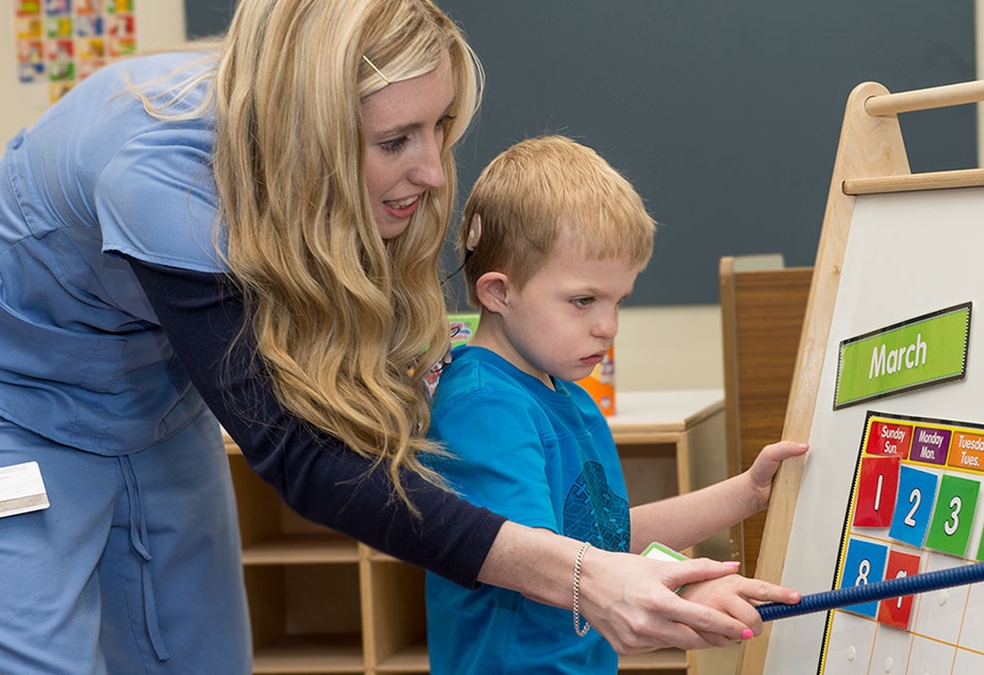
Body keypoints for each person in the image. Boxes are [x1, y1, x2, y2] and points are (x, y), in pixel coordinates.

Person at [0, 1, 802, 673]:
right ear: (309, 133)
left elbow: (581, 528)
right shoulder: (161, 182)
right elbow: (304, 456)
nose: (431, 173)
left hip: (162, 400)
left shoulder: (332, 183)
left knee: (201, 655)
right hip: (24, 412)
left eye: (440, 127)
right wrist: (604, 579)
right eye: (395, 142)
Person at [424, 135, 809, 674]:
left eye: (618, 301)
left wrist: (747, 493)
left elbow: (602, 538)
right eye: (584, 301)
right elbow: (538, 562)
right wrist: (679, 592)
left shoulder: (569, 398)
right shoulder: (484, 405)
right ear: (497, 292)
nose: (609, 327)